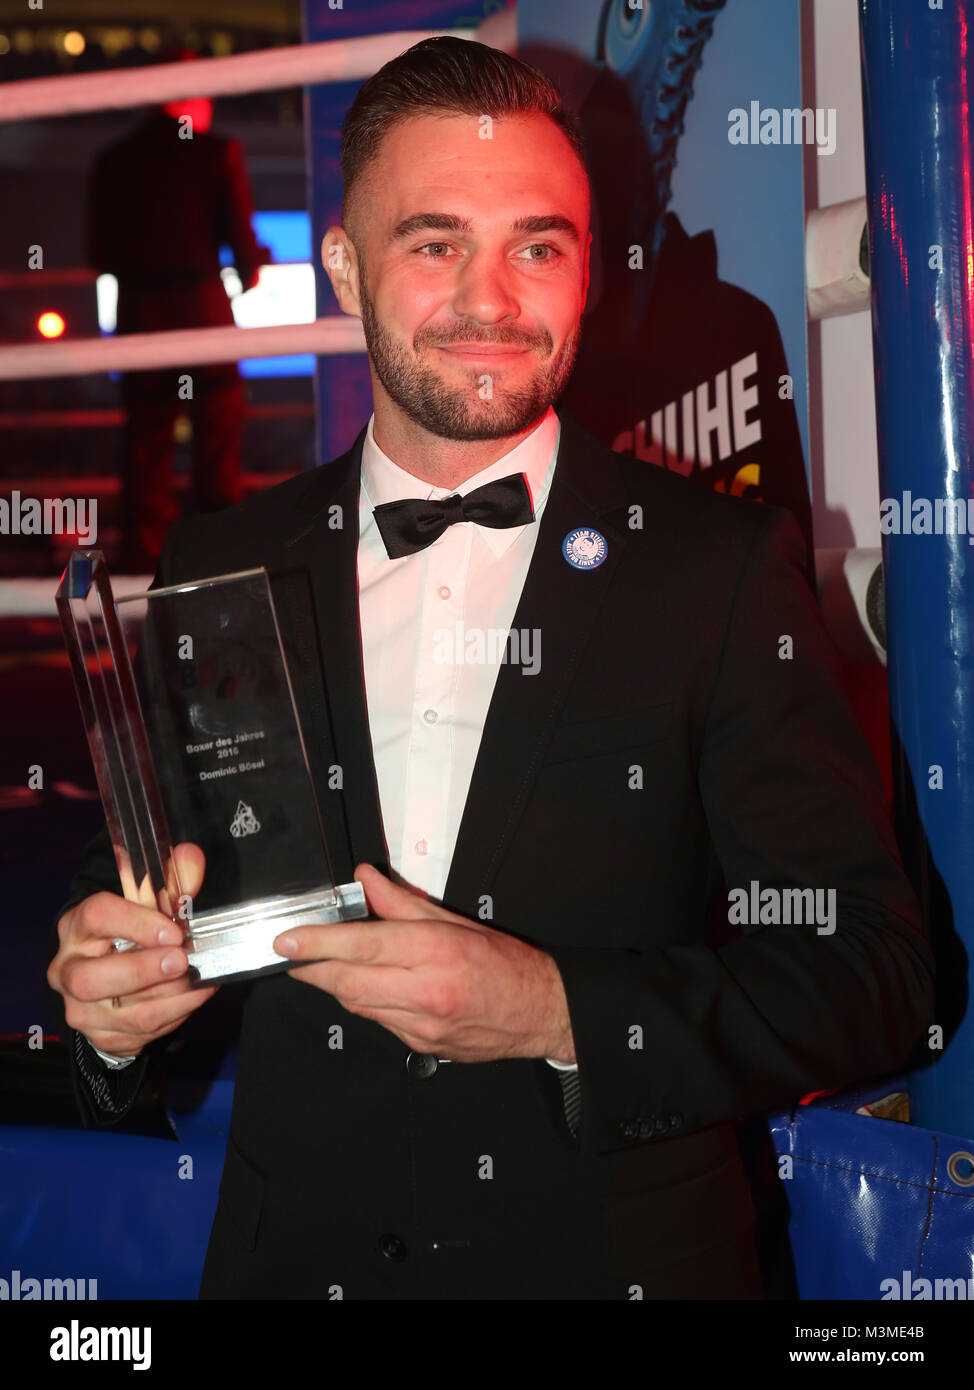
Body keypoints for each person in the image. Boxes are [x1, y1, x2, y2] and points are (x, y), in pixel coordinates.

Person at [48, 37, 935, 1300]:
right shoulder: (221, 558)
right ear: (343, 262)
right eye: (432, 242)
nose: (492, 299)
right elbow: (132, 903)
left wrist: (555, 1010)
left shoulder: (717, 570)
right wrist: (111, 1002)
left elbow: (877, 973)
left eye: (537, 244)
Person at [86, 48, 266, 571]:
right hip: (203, 315)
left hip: (140, 317)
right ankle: (219, 563)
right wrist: (251, 269)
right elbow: (243, 249)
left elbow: (100, 252)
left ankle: (144, 559)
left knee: (145, 448)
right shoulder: (215, 152)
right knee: (216, 448)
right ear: (190, 93)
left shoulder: (113, 159)